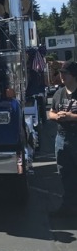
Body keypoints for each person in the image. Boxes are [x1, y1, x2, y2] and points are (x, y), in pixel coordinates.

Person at [48, 61, 77, 216]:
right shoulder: (59, 93)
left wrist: (71, 116)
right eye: (61, 73)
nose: (61, 76)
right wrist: (57, 116)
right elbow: (50, 112)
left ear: (73, 75)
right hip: (62, 137)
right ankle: (68, 207)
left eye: (65, 73)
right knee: (65, 173)